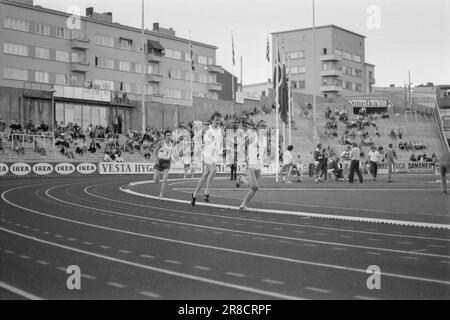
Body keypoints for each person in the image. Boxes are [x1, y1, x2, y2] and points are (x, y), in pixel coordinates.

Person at [191, 111, 223, 206]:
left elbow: (220, 142)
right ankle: (206, 192)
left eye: (219, 120)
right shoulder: (206, 129)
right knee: (213, 171)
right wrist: (201, 147)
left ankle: (195, 194)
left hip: (215, 155)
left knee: (205, 175)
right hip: (207, 154)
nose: (218, 122)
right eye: (216, 120)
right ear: (212, 120)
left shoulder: (220, 130)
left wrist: (220, 150)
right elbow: (195, 138)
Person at [236, 122, 267, 211]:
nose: (264, 128)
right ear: (257, 127)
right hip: (251, 162)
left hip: (259, 164)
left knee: (254, 188)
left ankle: (243, 205)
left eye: (265, 126)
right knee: (255, 186)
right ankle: (241, 179)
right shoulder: (253, 136)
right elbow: (242, 145)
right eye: (262, 126)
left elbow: (262, 150)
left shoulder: (264, 139)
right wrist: (245, 157)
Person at [153, 130, 174, 201]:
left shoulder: (171, 144)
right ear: (165, 136)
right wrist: (156, 159)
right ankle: (156, 177)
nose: (169, 136)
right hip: (159, 162)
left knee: (165, 180)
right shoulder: (161, 142)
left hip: (167, 163)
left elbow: (170, 153)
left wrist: (171, 158)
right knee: (156, 181)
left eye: (170, 135)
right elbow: (155, 151)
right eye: (168, 135)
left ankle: (161, 195)